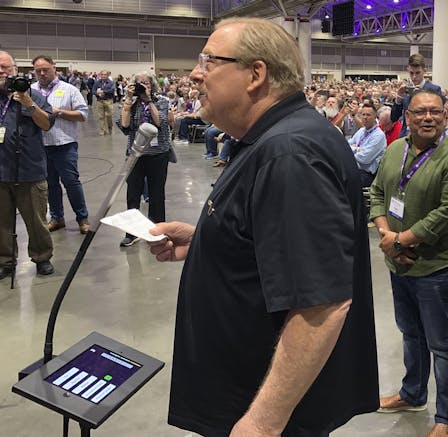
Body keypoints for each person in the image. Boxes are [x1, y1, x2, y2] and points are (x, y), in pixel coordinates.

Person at [147, 17, 378, 437]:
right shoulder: (272, 140)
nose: (195, 74)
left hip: (264, 410)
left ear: (256, 74)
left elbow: (320, 303)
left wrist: (264, 421)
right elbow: (280, 243)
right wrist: (207, 240)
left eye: (209, 61)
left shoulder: (289, 153)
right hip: (245, 385)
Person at [370, 90, 448, 437]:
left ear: (444, 116)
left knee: (441, 344)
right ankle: (412, 393)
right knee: (410, 333)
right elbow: (378, 194)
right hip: (399, 264)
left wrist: (401, 240)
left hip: (433, 268)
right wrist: (388, 237)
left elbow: (446, 214)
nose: (428, 118)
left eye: (435, 112)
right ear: (408, 117)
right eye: (420, 112)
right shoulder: (395, 149)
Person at [0, 50, 55, 278]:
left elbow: (46, 124)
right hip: (1, 172)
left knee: (37, 221)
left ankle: (42, 257)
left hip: (30, 170)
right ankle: (5, 261)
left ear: (14, 69)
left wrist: (28, 103)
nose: (1, 72)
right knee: (2, 222)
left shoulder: (32, 94)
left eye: (5, 67)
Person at [31, 55, 91, 234]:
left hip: (65, 145)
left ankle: (83, 218)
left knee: (71, 182)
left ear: (54, 68)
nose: (42, 74)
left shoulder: (69, 89)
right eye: (38, 71)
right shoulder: (30, 91)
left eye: (45, 69)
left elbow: (83, 115)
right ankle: (57, 218)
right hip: (40, 146)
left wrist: (59, 113)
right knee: (50, 185)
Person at [117, 72, 171, 247]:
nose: (143, 86)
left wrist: (148, 100)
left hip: (158, 154)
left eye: (146, 83)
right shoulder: (130, 102)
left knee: (157, 194)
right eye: (139, 83)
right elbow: (125, 125)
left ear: (152, 84)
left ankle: (157, 230)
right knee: (132, 194)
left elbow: (160, 123)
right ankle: (131, 233)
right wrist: (127, 101)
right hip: (136, 154)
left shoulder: (161, 100)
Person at [391, 53, 442, 137]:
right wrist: (399, 99)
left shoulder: (435, 90)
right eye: (411, 73)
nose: (414, 77)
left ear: (425, 71)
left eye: (417, 73)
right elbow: (394, 118)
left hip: (425, 137)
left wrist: (422, 97)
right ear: (408, 70)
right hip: (405, 138)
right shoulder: (405, 90)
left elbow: (438, 118)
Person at [348, 101, 386, 187]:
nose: (365, 117)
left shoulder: (379, 135)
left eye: (368, 115)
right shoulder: (362, 130)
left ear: (375, 117)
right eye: (363, 114)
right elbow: (346, 145)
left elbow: (364, 158)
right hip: (353, 169)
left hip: (366, 175)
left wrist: (353, 149)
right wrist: (356, 149)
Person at [91, 69, 114, 135]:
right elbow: (93, 90)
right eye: (102, 74)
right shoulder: (97, 82)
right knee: (101, 117)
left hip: (108, 101)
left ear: (107, 75)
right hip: (99, 101)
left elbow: (112, 90)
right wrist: (97, 94)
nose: (103, 76)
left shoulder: (111, 83)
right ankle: (102, 130)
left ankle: (110, 129)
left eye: (105, 75)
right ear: (100, 75)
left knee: (109, 116)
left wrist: (103, 91)